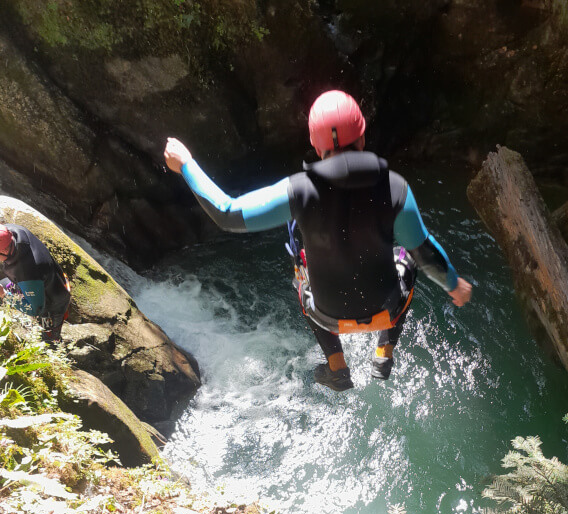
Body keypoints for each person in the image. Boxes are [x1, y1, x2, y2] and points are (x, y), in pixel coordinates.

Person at [164, 90, 472, 391]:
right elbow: (427, 254)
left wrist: (187, 164)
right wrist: (454, 285)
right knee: (408, 255)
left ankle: (336, 366)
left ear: (314, 144)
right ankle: (384, 353)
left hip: (326, 314)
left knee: (301, 272)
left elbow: (227, 213)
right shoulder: (395, 189)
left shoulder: (298, 191)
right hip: (385, 307)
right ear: (363, 138)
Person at [0, 223, 71, 342]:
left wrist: (4, 295)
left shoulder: (26, 271)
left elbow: (35, 309)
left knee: (49, 338)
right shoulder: (13, 230)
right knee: (4, 282)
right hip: (48, 279)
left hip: (52, 302)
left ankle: (53, 346)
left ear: (5, 250)